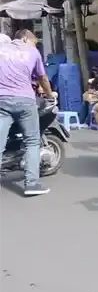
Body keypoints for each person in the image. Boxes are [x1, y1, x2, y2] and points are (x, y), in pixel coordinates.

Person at [0, 30, 54, 196]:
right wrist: (50, 95)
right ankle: (31, 184)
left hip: (2, 100)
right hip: (25, 100)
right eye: (34, 42)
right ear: (25, 39)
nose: (34, 45)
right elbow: (43, 78)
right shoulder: (32, 51)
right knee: (32, 142)